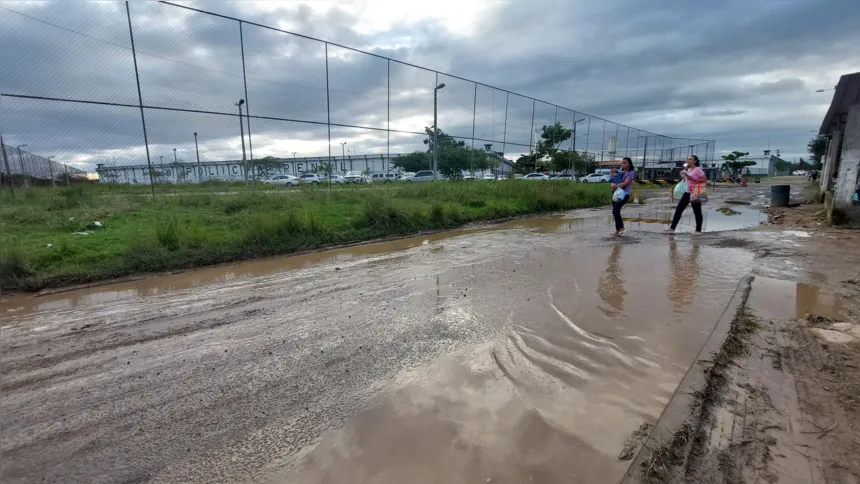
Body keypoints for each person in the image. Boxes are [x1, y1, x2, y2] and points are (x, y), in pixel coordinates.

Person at [667, 154, 707, 235]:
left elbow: (704, 180)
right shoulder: (688, 169)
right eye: (688, 159)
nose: (688, 160)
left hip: (695, 192)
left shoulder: (698, 169)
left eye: (690, 159)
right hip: (687, 192)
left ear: (695, 161)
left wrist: (692, 178)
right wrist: (683, 175)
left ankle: (698, 230)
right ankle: (672, 228)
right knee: (679, 209)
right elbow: (688, 179)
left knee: (697, 211)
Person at [610, 157, 635, 236]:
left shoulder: (630, 173)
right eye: (622, 163)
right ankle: (618, 229)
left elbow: (625, 183)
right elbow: (613, 180)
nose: (623, 164)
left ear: (629, 164)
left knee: (615, 210)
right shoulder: (619, 172)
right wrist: (612, 185)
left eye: (625, 163)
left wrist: (616, 185)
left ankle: (621, 228)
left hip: (624, 194)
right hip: (616, 194)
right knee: (615, 211)